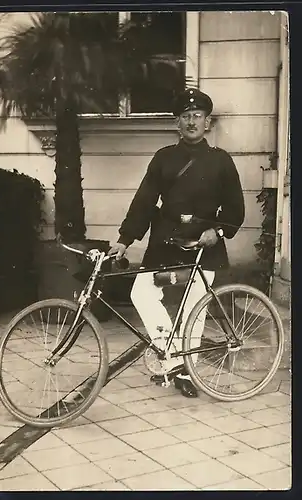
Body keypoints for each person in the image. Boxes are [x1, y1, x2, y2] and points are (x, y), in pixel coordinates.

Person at [108, 88, 245, 397]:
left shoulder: (221, 161)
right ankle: (174, 359)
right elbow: (144, 201)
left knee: (194, 310)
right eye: (185, 117)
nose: (191, 122)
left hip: (203, 244)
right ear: (177, 124)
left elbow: (236, 209)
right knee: (141, 292)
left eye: (197, 116)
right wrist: (124, 239)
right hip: (165, 243)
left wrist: (218, 232)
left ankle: (186, 373)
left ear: (207, 123)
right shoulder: (164, 158)